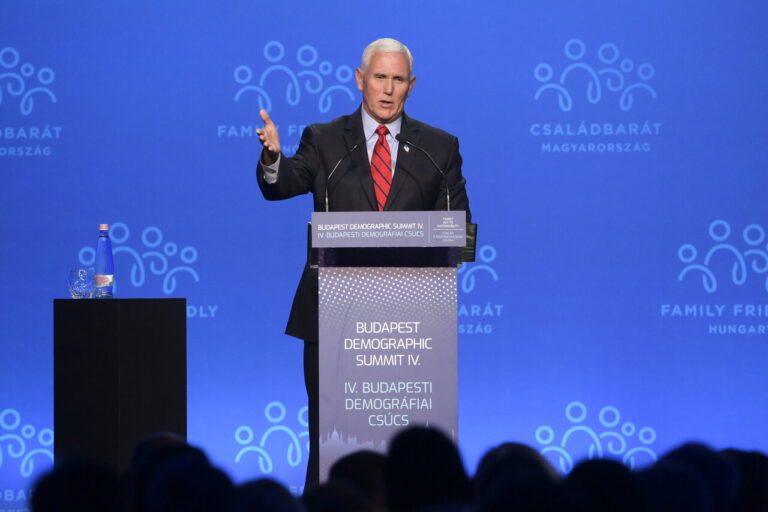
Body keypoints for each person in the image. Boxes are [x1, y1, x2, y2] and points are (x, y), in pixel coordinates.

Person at [255, 37, 471, 491]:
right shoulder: (325, 140)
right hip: (331, 318)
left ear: (412, 85)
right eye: (379, 77)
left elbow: (458, 236)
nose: (388, 90)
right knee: (331, 440)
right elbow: (282, 184)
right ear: (360, 80)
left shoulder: (439, 148)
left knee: (407, 450)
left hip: (409, 327)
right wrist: (273, 158)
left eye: (398, 80)